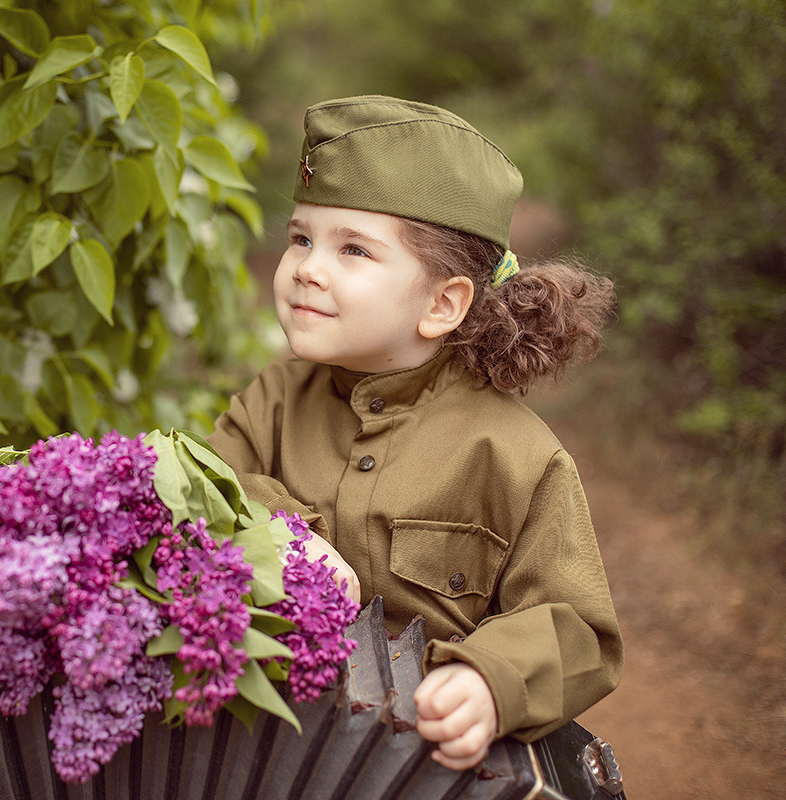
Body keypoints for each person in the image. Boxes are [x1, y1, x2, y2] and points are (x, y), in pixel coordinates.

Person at [207, 95, 623, 771]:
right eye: (301, 238)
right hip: (263, 750)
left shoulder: (517, 456)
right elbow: (202, 496)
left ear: (442, 303)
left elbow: (578, 630)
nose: (308, 266)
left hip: (416, 768)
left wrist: (489, 680)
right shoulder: (270, 403)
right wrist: (279, 534)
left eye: (353, 250)